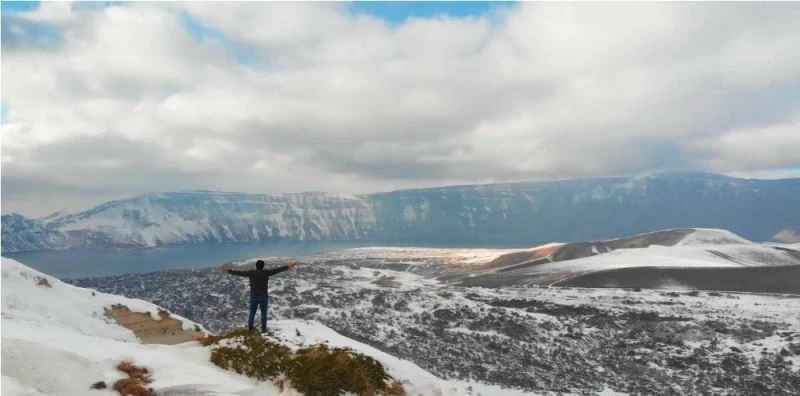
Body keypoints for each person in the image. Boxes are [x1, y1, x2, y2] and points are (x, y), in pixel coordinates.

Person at [221, 259, 298, 333]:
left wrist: (228, 271)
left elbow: (240, 273)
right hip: (263, 295)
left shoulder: (251, 273)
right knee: (263, 314)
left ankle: (250, 330)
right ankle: (263, 330)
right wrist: (289, 266)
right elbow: (277, 270)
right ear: (263, 266)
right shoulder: (266, 273)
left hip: (253, 295)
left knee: (252, 314)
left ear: (256, 266)